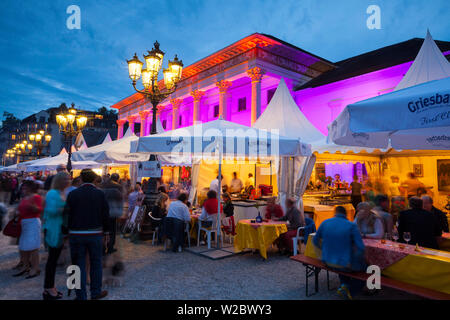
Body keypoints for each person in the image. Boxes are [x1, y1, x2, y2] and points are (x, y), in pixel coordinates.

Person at [63, 169, 110, 300]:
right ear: (94, 180)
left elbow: (66, 215)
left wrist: (65, 232)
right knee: (96, 263)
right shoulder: (100, 194)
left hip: (76, 234)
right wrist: (107, 232)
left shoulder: (73, 194)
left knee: (77, 265)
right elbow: (105, 215)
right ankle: (95, 292)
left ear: (81, 179)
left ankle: (80, 295)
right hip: (95, 233)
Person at [313, 206, 366, 299]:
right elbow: (361, 248)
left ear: (335, 213)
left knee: (343, 260)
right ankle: (351, 291)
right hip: (343, 264)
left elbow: (315, 240)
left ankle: (344, 284)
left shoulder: (325, 222)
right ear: (346, 214)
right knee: (367, 269)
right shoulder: (351, 226)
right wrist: (354, 259)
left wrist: (323, 250)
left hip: (326, 261)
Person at [42, 171, 71, 300]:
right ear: (59, 180)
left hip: (58, 229)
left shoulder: (61, 193)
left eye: (68, 179)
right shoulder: (53, 193)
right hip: (53, 229)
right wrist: (66, 207)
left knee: (53, 259)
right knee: (52, 260)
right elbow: (52, 210)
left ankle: (50, 287)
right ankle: (48, 288)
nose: (67, 181)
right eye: (65, 179)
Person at [13, 180, 44, 279]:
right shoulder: (24, 198)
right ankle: (26, 267)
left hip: (33, 222)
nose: (23, 189)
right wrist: (17, 213)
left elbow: (39, 210)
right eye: (22, 187)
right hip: (24, 223)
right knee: (23, 246)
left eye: (25, 187)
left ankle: (35, 268)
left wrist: (31, 206)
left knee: (33, 247)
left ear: (30, 188)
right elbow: (20, 210)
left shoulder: (36, 197)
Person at [100, 173, 124, 255]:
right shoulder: (118, 187)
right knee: (112, 231)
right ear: (117, 178)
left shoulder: (103, 185)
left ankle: (103, 247)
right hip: (113, 211)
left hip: (103, 211)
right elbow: (121, 199)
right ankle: (110, 247)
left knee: (103, 230)